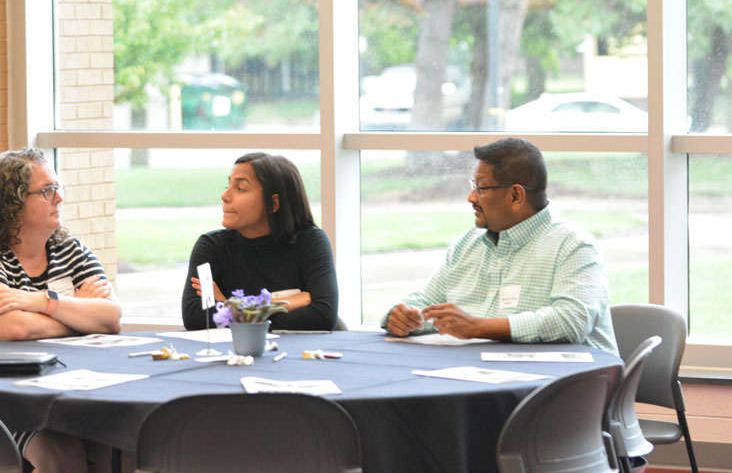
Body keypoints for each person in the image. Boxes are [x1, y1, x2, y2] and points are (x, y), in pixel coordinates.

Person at [0, 148, 130, 473]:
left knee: (127, 447)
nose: (59, 198)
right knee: (61, 455)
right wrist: (75, 312)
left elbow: (110, 318)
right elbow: (14, 328)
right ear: (10, 204)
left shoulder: (68, 249)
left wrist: (41, 301)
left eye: (58, 187)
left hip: (62, 391)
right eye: (47, 191)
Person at [383, 137, 619, 354]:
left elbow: (571, 321)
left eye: (481, 188)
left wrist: (478, 327)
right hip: (480, 379)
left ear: (516, 196)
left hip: (567, 392)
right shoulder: (467, 244)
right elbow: (425, 304)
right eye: (472, 186)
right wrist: (404, 316)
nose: (471, 198)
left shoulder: (573, 245)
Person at [182, 152, 338, 331]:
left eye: (240, 189)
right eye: (228, 185)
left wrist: (228, 307)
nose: (225, 196)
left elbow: (322, 316)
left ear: (273, 204)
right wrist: (275, 305)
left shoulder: (310, 242)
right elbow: (195, 317)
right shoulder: (211, 246)